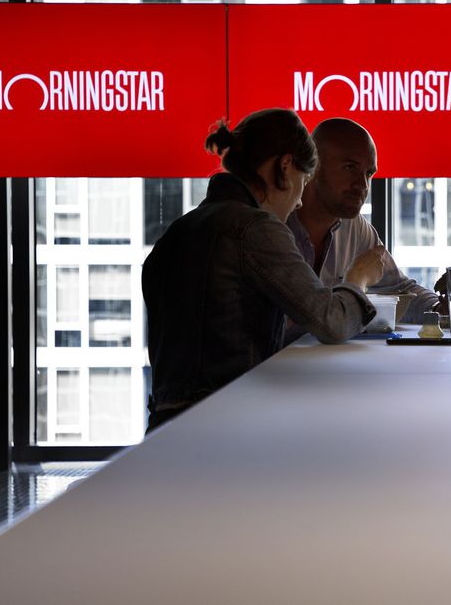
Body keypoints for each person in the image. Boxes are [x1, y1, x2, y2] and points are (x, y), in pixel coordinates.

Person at [142, 109, 390, 432]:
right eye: (303, 182)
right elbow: (332, 322)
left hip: (164, 429)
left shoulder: (176, 233)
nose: (299, 202)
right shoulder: (256, 228)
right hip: (228, 425)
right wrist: (358, 277)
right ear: (285, 166)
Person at [288, 118, 441, 324]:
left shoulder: (354, 226)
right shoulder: (276, 223)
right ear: (314, 166)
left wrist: (438, 307)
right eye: (350, 167)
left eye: (369, 173)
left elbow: (400, 290)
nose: (363, 185)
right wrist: (356, 281)